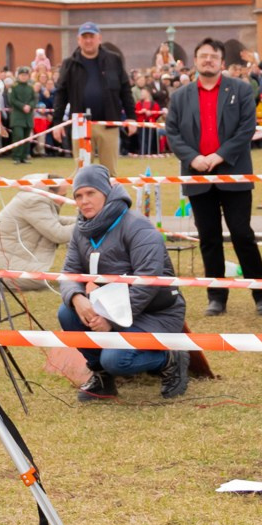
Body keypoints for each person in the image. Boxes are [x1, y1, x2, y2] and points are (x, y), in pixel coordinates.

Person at [58, 161, 192, 401]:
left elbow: (148, 280)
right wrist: (76, 298)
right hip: (111, 307)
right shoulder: (81, 230)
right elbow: (69, 272)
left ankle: (170, 358)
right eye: (78, 195)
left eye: (91, 193)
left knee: (116, 360)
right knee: (67, 313)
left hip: (155, 312)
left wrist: (111, 320)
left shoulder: (137, 226)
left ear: (107, 193)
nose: (84, 200)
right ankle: (101, 378)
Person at [166, 38, 262, 316]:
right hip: (197, 175)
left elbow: (246, 128)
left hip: (232, 172)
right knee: (208, 237)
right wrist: (193, 158)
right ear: (196, 61)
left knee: (242, 234)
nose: (208, 60)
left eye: (213, 56)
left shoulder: (240, 89)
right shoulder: (180, 96)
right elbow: (173, 133)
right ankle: (216, 295)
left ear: (221, 62)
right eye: (203, 56)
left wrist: (219, 156)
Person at [54, 23, 134, 171]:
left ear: (99, 39)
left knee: (110, 173)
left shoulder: (113, 60)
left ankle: (110, 195)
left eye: (92, 36)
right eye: (85, 37)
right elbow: (61, 93)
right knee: (82, 172)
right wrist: (57, 122)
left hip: (108, 123)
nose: (88, 41)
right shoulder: (70, 63)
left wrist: (131, 117)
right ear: (79, 40)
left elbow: (125, 90)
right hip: (81, 125)